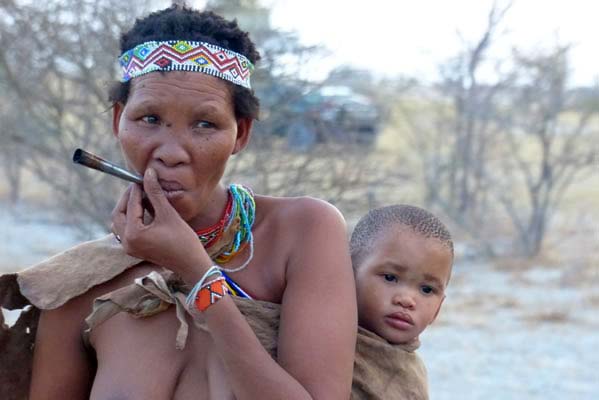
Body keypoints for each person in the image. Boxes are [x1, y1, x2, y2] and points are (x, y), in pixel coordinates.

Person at [4, 5, 357, 399]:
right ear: (118, 119)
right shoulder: (77, 285)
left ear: (240, 134)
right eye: (150, 119)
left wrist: (195, 270)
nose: (171, 152)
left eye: (205, 124)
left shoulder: (303, 232)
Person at [349, 204, 454, 399]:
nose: (406, 300)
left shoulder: (412, 374)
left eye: (426, 289)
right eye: (390, 277)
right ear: (349, 274)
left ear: (438, 309)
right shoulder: (325, 339)